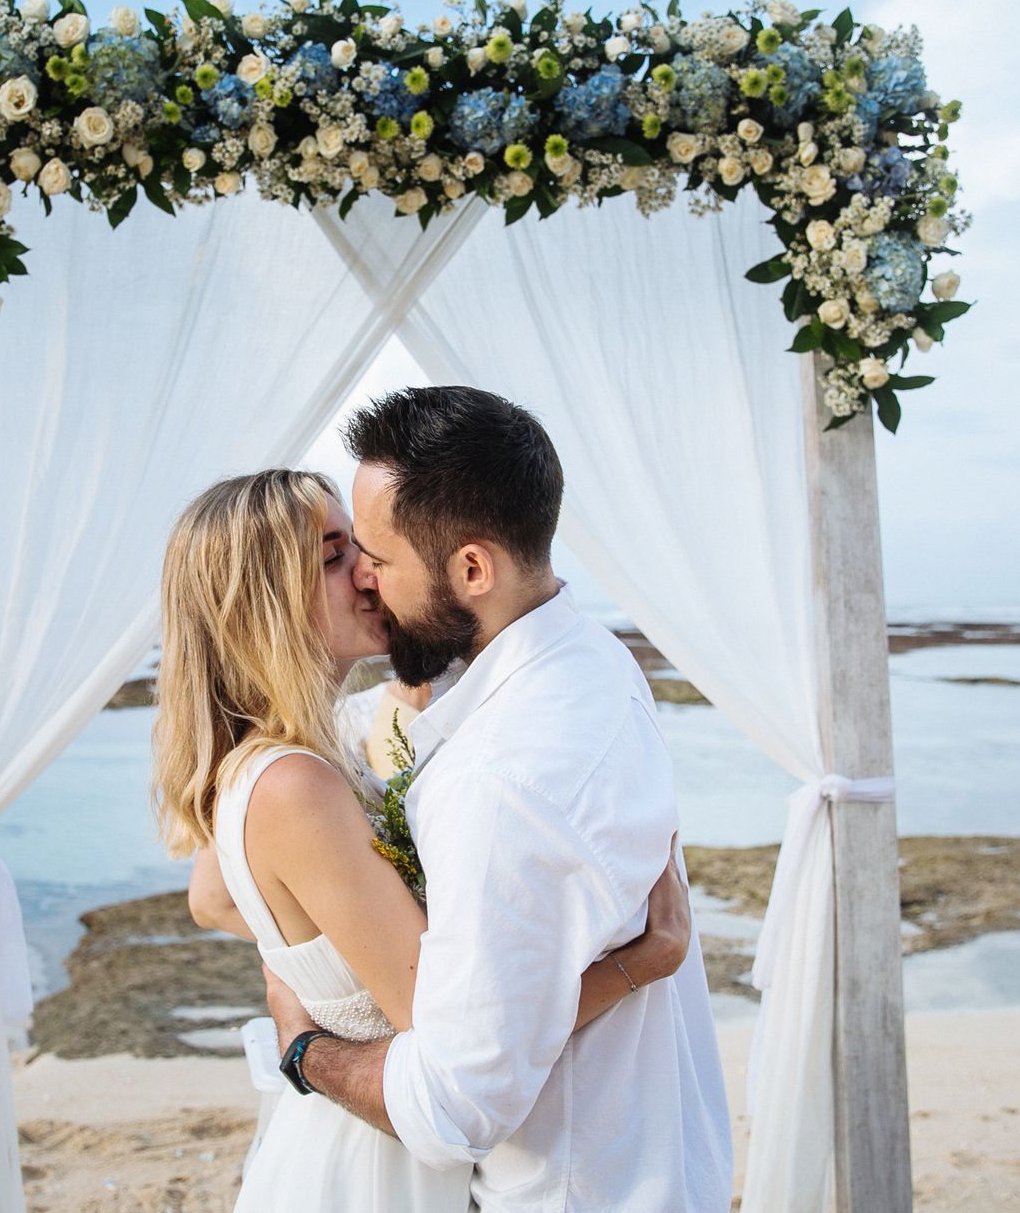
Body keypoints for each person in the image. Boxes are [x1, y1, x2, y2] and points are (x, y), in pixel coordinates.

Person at [153, 468, 693, 1212]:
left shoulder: (292, 756)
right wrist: (642, 962)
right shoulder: (292, 785)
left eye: (363, 548)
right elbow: (454, 1037)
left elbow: (214, 896)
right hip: (374, 1166)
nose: (368, 573)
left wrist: (314, 974)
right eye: (335, 555)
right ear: (264, 601)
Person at [262, 387, 736, 1211]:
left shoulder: (497, 784)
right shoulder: (595, 659)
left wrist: (304, 1048)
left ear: (473, 569)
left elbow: (454, 1107)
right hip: (659, 1158)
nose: (365, 579)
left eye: (377, 557)